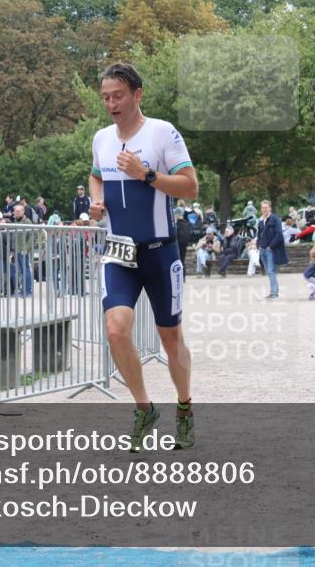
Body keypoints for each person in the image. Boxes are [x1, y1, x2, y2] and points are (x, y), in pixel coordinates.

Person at [88, 62, 198, 451]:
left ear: (137, 94)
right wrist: (95, 200)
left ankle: (184, 408)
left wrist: (146, 175)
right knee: (116, 329)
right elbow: (97, 175)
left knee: (171, 339)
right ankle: (144, 408)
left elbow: (190, 188)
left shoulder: (162, 132)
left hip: (159, 251)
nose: (111, 103)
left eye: (118, 95)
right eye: (105, 97)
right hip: (118, 252)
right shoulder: (101, 138)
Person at [256, 199, 288, 299]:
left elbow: (279, 235)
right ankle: (273, 292)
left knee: (271, 271)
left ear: (269, 208)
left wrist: (271, 246)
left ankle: (274, 293)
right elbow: (260, 235)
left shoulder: (275, 219)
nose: (264, 209)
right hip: (263, 249)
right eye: (262, 208)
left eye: (266, 207)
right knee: (268, 272)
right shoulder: (261, 220)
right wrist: (258, 245)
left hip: (270, 250)